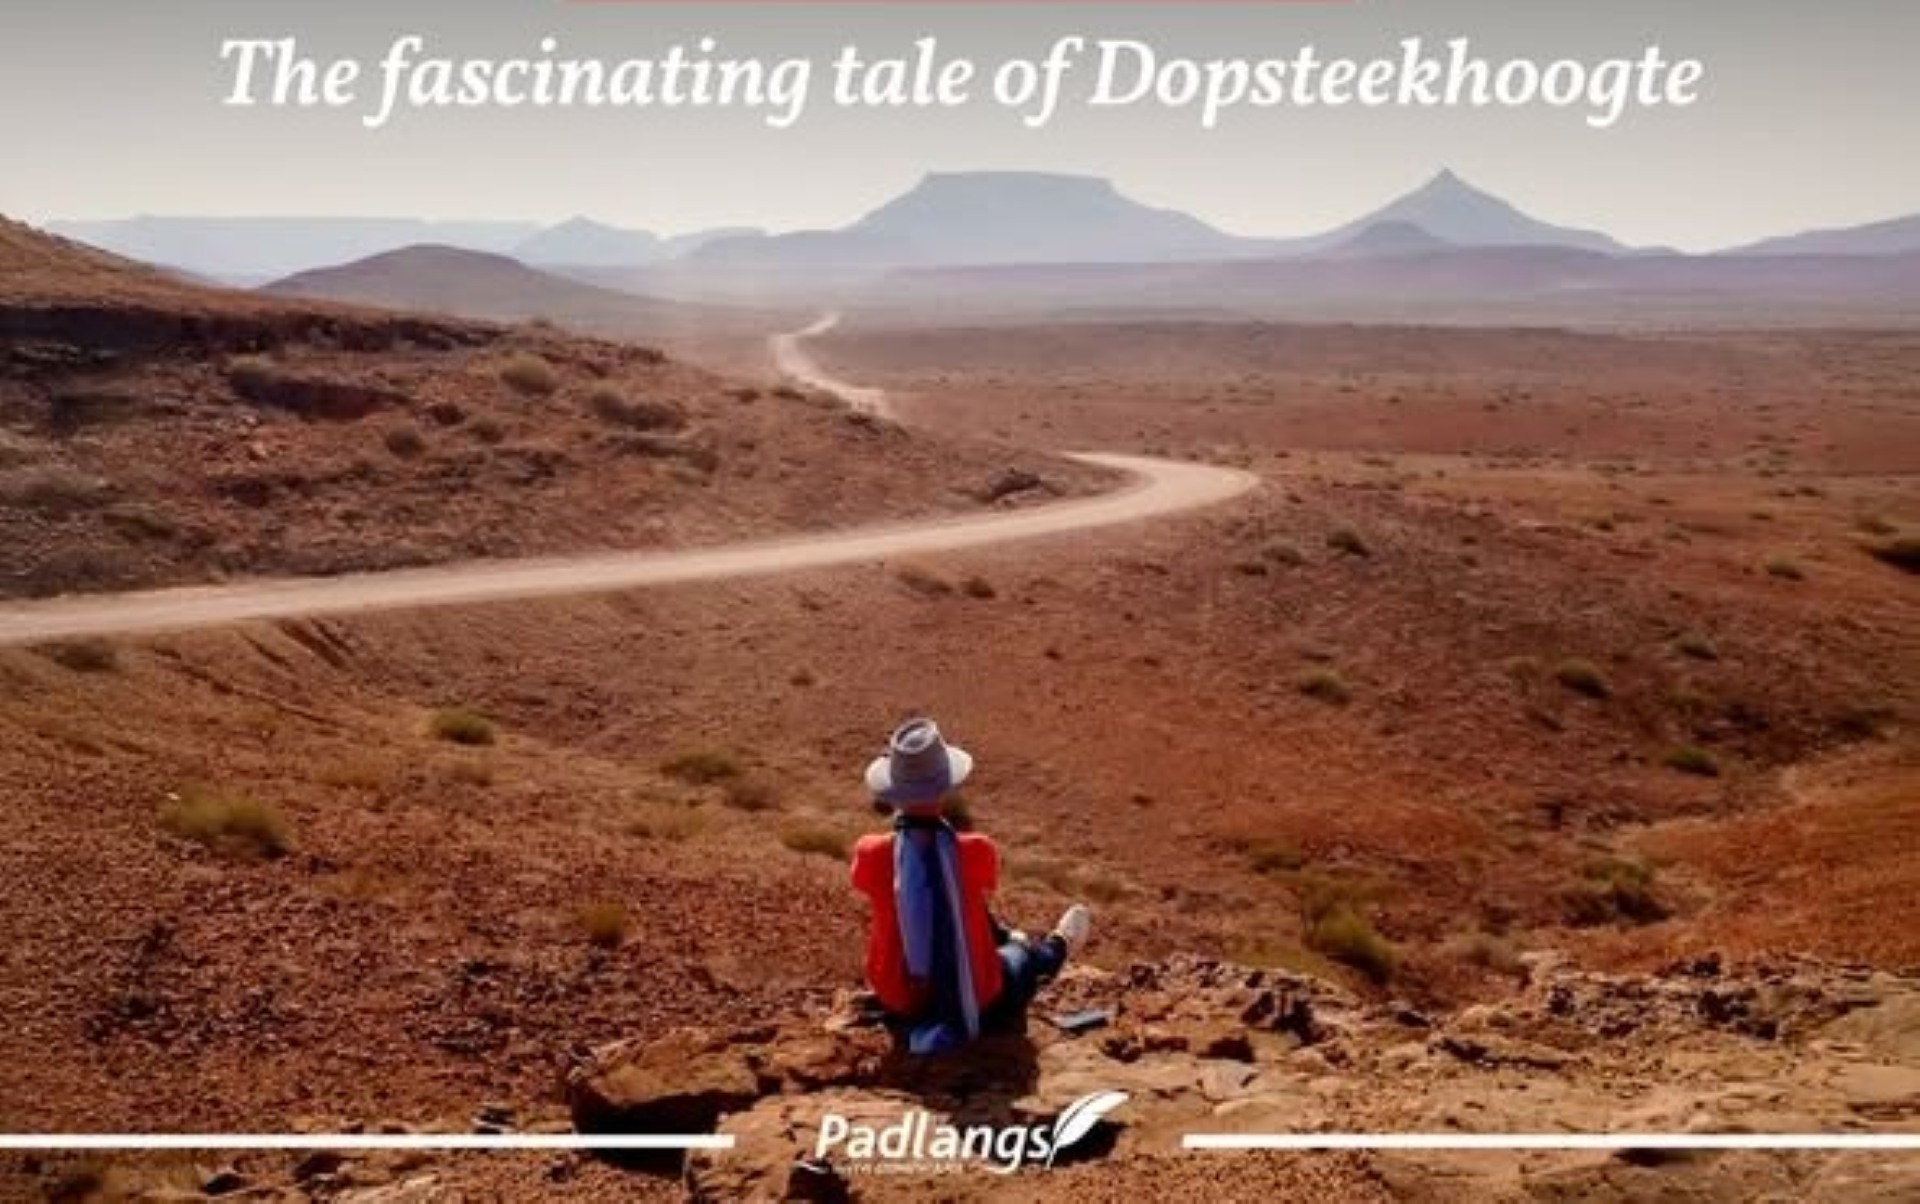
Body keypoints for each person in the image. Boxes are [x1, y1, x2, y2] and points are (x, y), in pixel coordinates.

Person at [850, 717, 1092, 1055]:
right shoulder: (975, 850)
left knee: (984, 923)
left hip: (898, 994)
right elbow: (970, 902)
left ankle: (1025, 942)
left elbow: (886, 891)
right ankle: (1056, 948)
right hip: (975, 992)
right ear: (947, 785)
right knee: (1017, 955)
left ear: (892, 788)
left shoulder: (870, 852)